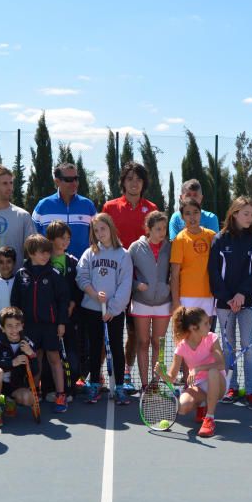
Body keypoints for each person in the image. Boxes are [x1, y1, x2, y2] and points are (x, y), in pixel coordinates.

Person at [102, 161, 157, 391]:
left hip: (140, 282)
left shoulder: (151, 208)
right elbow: (100, 237)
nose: (134, 183)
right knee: (109, 327)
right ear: (123, 182)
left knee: (135, 331)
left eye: (138, 179)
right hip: (113, 279)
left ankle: (126, 372)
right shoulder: (110, 207)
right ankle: (98, 376)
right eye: (130, 179)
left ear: (144, 183)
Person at [209, 196, 252, 410]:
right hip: (225, 303)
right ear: (234, 214)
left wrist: (242, 294)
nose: (250, 218)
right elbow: (213, 272)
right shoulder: (219, 239)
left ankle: (251, 391)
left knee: (248, 346)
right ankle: (231, 386)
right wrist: (227, 298)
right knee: (228, 347)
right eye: (245, 214)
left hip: (249, 302)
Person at [76, 213, 133, 404]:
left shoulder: (123, 255)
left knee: (116, 347)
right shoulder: (89, 253)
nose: (100, 233)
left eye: (103, 228)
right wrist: (93, 294)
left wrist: (113, 308)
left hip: (114, 313)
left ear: (111, 228)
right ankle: (94, 384)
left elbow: (126, 284)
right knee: (94, 347)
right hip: (92, 310)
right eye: (96, 230)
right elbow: (81, 277)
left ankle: (119, 388)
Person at [10, 234, 69, 414]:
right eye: (41, 253)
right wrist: (17, 325)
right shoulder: (21, 275)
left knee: (54, 360)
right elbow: (15, 302)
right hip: (29, 328)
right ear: (31, 253)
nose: (45, 256)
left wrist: (61, 323)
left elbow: (63, 300)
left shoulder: (54, 274)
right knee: (35, 360)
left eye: (47, 253)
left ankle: (60, 395)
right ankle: (35, 393)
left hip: (50, 326)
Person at [158, 306, 227, 438]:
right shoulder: (181, 347)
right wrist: (162, 374)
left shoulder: (212, 338)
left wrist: (198, 369)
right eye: (206, 323)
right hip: (199, 386)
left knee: (212, 371)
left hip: (218, 383)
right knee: (182, 407)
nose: (209, 326)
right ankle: (202, 404)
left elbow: (221, 364)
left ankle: (209, 418)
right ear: (193, 328)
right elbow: (171, 378)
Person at [128, 211, 172, 391]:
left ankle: (155, 383)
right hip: (141, 302)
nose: (162, 233)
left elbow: (176, 272)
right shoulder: (135, 248)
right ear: (149, 229)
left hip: (163, 303)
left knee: (158, 344)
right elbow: (124, 276)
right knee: (143, 342)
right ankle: (145, 384)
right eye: (158, 229)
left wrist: (167, 287)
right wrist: (136, 285)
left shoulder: (170, 247)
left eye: (164, 229)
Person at [0, 306, 39, 429]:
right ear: (2, 328)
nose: (14, 329)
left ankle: (10, 400)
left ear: (22, 325)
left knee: (28, 399)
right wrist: (11, 363)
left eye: (17, 325)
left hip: (16, 385)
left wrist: (31, 355)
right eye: (9, 326)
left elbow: (35, 372)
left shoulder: (28, 343)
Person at [32, 161, 97, 260]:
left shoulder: (88, 205)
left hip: (82, 268)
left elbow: (97, 237)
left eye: (76, 179)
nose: (74, 183)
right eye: (69, 179)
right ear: (57, 181)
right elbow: (33, 239)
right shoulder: (43, 206)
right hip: (49, 268)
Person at [46, 220, 82, 400]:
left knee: (72, 355)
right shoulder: (43, 261)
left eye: (68, 238)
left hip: (70, 319)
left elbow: (78, 288)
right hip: (49, 319)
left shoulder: (74, 262)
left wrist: (72, 304)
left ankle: (70, 388)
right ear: (51, 239)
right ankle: (50, 389)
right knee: (51, 357)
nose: (66, 241)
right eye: (62, 238)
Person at [170, 198, 216, 316]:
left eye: (195, 212)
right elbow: (174, 274)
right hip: (187, 297)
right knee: (188, 334)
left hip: (209, 295)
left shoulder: (212, 236)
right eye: (187, 213)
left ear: (200, 214)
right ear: (182, 217)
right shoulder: (179, 239)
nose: (192, 217)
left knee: (207, 334)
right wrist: (176, 301)